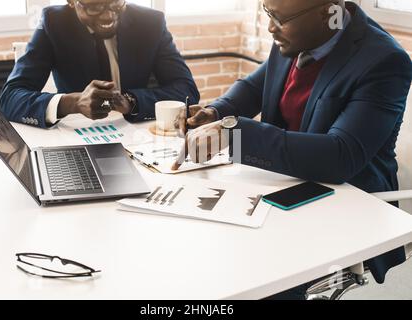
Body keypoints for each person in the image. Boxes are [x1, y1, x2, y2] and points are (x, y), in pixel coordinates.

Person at [173, 0, 412, 299]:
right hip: (285, 188)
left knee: (254, 281)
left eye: (280, 18)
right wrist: (215, 112)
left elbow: (341, 155)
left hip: (344, 204)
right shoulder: (295, 36)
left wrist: (234, 134)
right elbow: (254, 88)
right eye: (267, 12)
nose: (270, 26)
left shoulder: (384, 61)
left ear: (330, 12)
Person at [0, 0, 199, 128]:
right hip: (77, 135)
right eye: (94, 6)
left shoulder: (150, 22)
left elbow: (186, 89)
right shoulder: (54, 23)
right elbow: (10, 98)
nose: (108, 16)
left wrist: (131, 101)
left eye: (115, 3)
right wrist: (73, 103)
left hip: (138, 136)